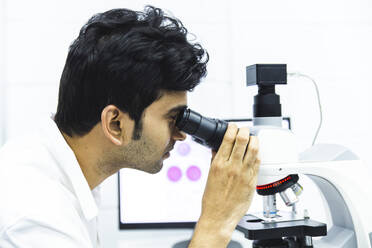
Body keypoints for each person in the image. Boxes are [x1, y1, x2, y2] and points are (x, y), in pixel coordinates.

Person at [0, 6, 260, 248]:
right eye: (172, 118)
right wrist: (216, 223)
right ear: (115, 124)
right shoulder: (36, 213)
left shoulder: (53, 168)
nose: (181, 134)